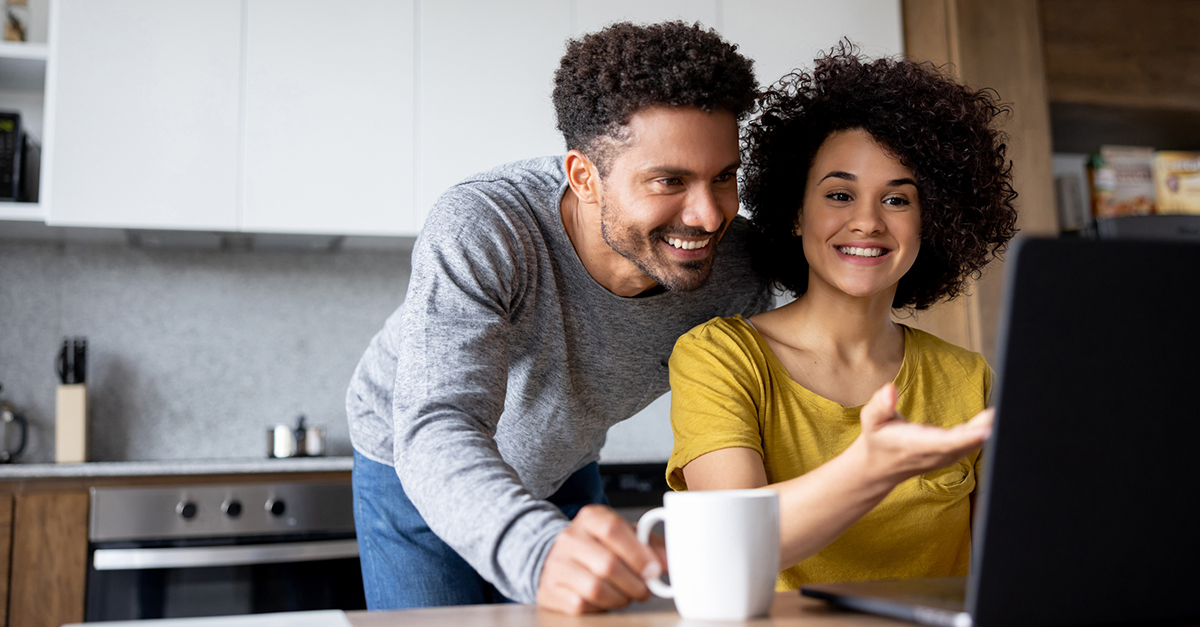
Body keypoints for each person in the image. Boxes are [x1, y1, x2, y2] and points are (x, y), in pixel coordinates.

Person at [346, 21, 771, 614]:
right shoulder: (486, 227)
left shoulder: (740, 267)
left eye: (724, 176)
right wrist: (537, 552)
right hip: (415, 466)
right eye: (669, 181)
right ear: (583, 176)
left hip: (564, 460)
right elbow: (438, 420)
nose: (707, 216)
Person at [666, 46, 1019, 590]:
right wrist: (872, 466)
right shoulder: (719, 358)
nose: (867, 222)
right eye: (839, 194)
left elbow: (999, 572)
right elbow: (729, 547)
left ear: (935, 221)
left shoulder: (967, 379)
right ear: (795, 213)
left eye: (898, 201)